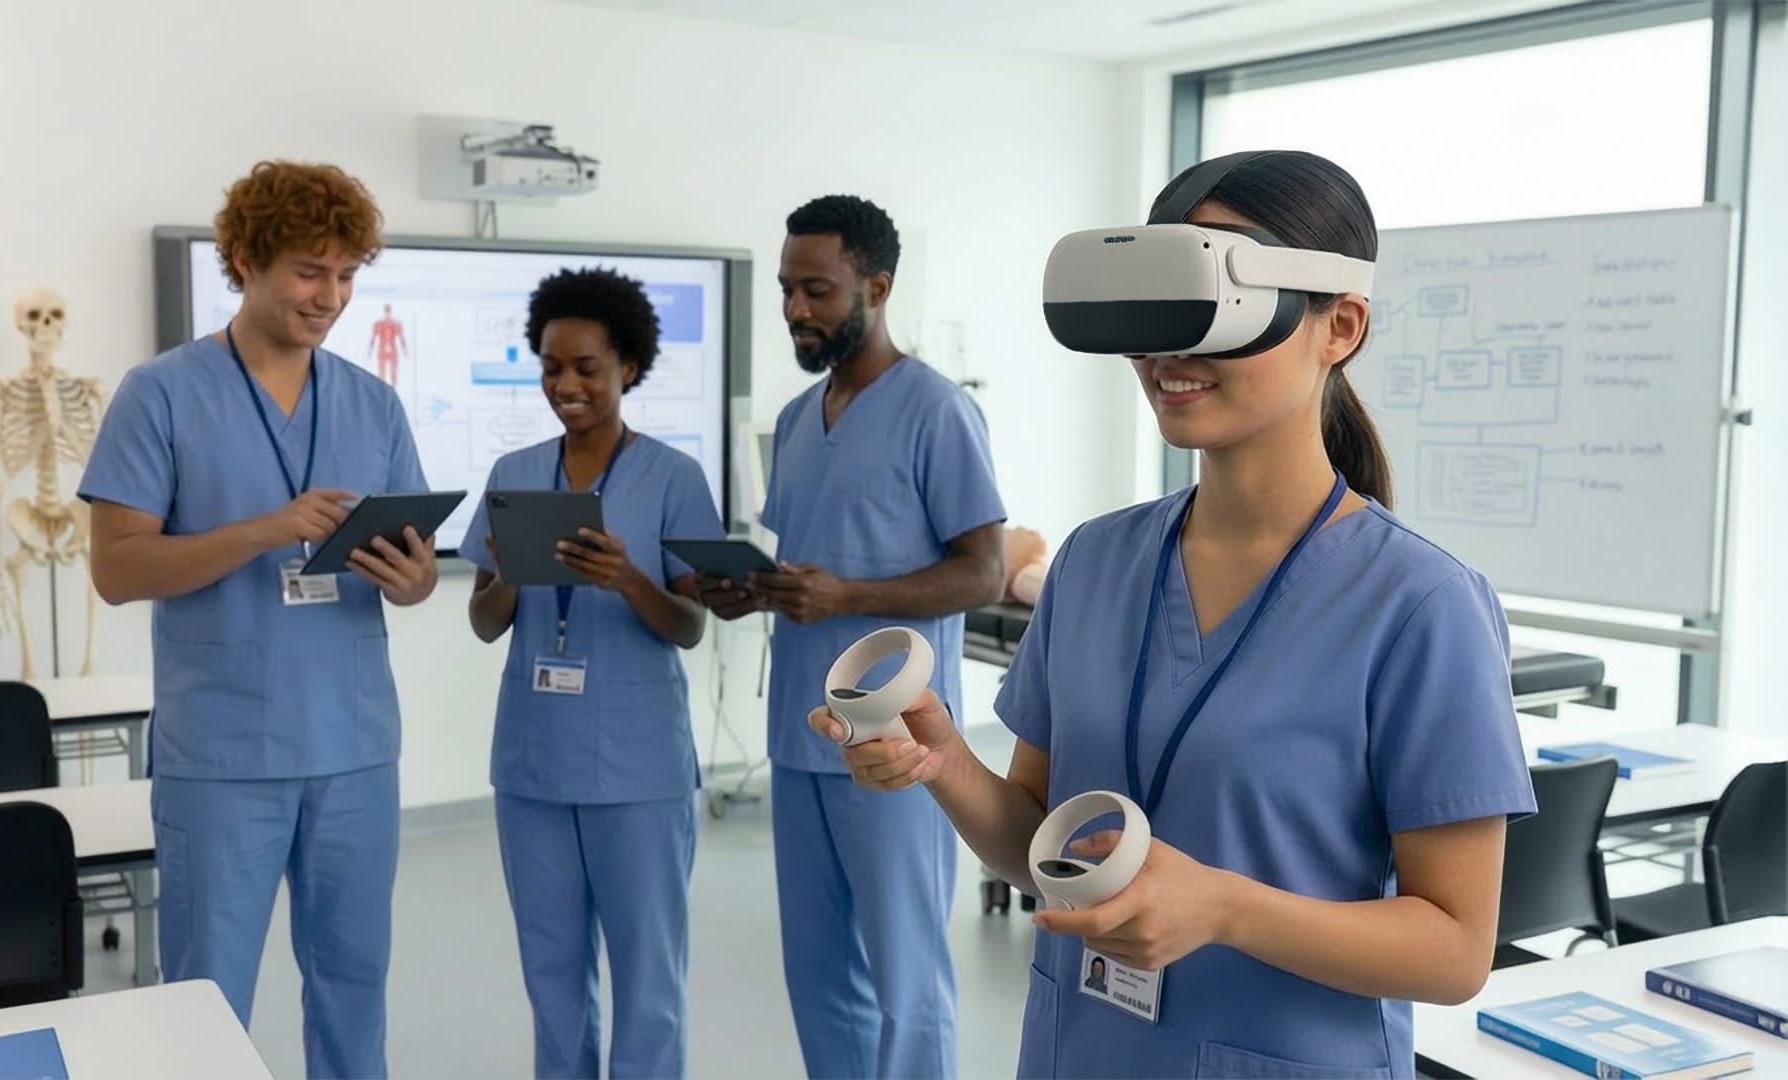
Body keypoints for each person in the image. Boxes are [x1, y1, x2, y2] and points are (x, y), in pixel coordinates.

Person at [812, 151, 1537, 1078]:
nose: (1166, 352)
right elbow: (1043, 847)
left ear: (1340, 325)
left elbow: (1455, 950)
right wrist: (943, 758)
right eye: (1154, 307)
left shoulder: (1420, 605)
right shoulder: (1095, 562)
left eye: (1214, 304)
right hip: (1082, 1049)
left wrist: (1223, 908)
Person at [81, 160, 438, 1080]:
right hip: (225, 753)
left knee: (355, 985)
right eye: (310, 272)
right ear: (243, 260)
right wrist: (260, 533)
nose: (332, 297)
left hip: (354, 745)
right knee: (205, 996)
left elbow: (414, 576)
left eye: (349, 274)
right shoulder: (159, 394)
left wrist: (412, 580)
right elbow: (117, 569)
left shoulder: (373, 401)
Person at [697, 195, 1006, 1079]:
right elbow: (813, 569)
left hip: (900, 745)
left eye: (817, 291)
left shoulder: (937, 411)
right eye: (789, 290)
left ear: (877, 286)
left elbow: (982, 573)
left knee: (905, 978)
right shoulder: (798, 422)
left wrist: (848, 597)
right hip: (802, 738)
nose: (796, 309)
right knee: (818, 973)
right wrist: (749, 592)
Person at [461, 267, 724, 1079]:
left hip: (638, 767)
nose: (565, 386)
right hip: (535, 766)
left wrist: (628, 580)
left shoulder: (673, 478)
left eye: (586, 369)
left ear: (629, 370)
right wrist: (510, 575)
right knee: (552, 975)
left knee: (649, 978)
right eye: (550, 368)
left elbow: (688, 626)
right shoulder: (514, 475)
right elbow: (482, 621)